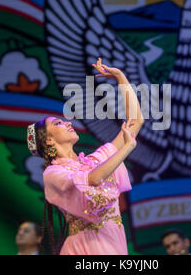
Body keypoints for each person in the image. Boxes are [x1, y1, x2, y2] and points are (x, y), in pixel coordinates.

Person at [27, 58, 144, 255]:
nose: (67, 123)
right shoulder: (53, 173)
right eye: (58, 124)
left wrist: (120, 77)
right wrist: (126, 149)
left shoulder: (95, 161)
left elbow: (136, 121)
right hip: (85, 249)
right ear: (48, 141)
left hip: (113, 244)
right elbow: (94, 179)